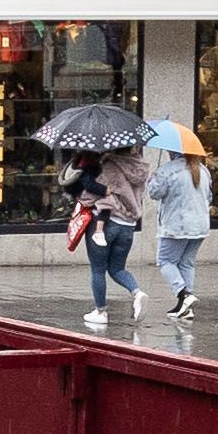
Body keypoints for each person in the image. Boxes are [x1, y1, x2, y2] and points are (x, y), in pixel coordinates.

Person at [75, 140, 152, 327]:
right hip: (128, 226)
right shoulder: (140, 167)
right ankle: (137, 292)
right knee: (117, 268)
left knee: (98, 268)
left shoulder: (110, 166)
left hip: (106, 223)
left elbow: (90, 195)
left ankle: (100, 311)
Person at [149, 128, 211, 321]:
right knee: (186, 263)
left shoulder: (168, 170)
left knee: (165, 261)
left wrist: (154, 177)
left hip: (176, 226)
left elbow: (154, 193)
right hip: (200, 225)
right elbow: (209, 196)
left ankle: (183, 294)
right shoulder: (203, 171)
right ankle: (185, 306)